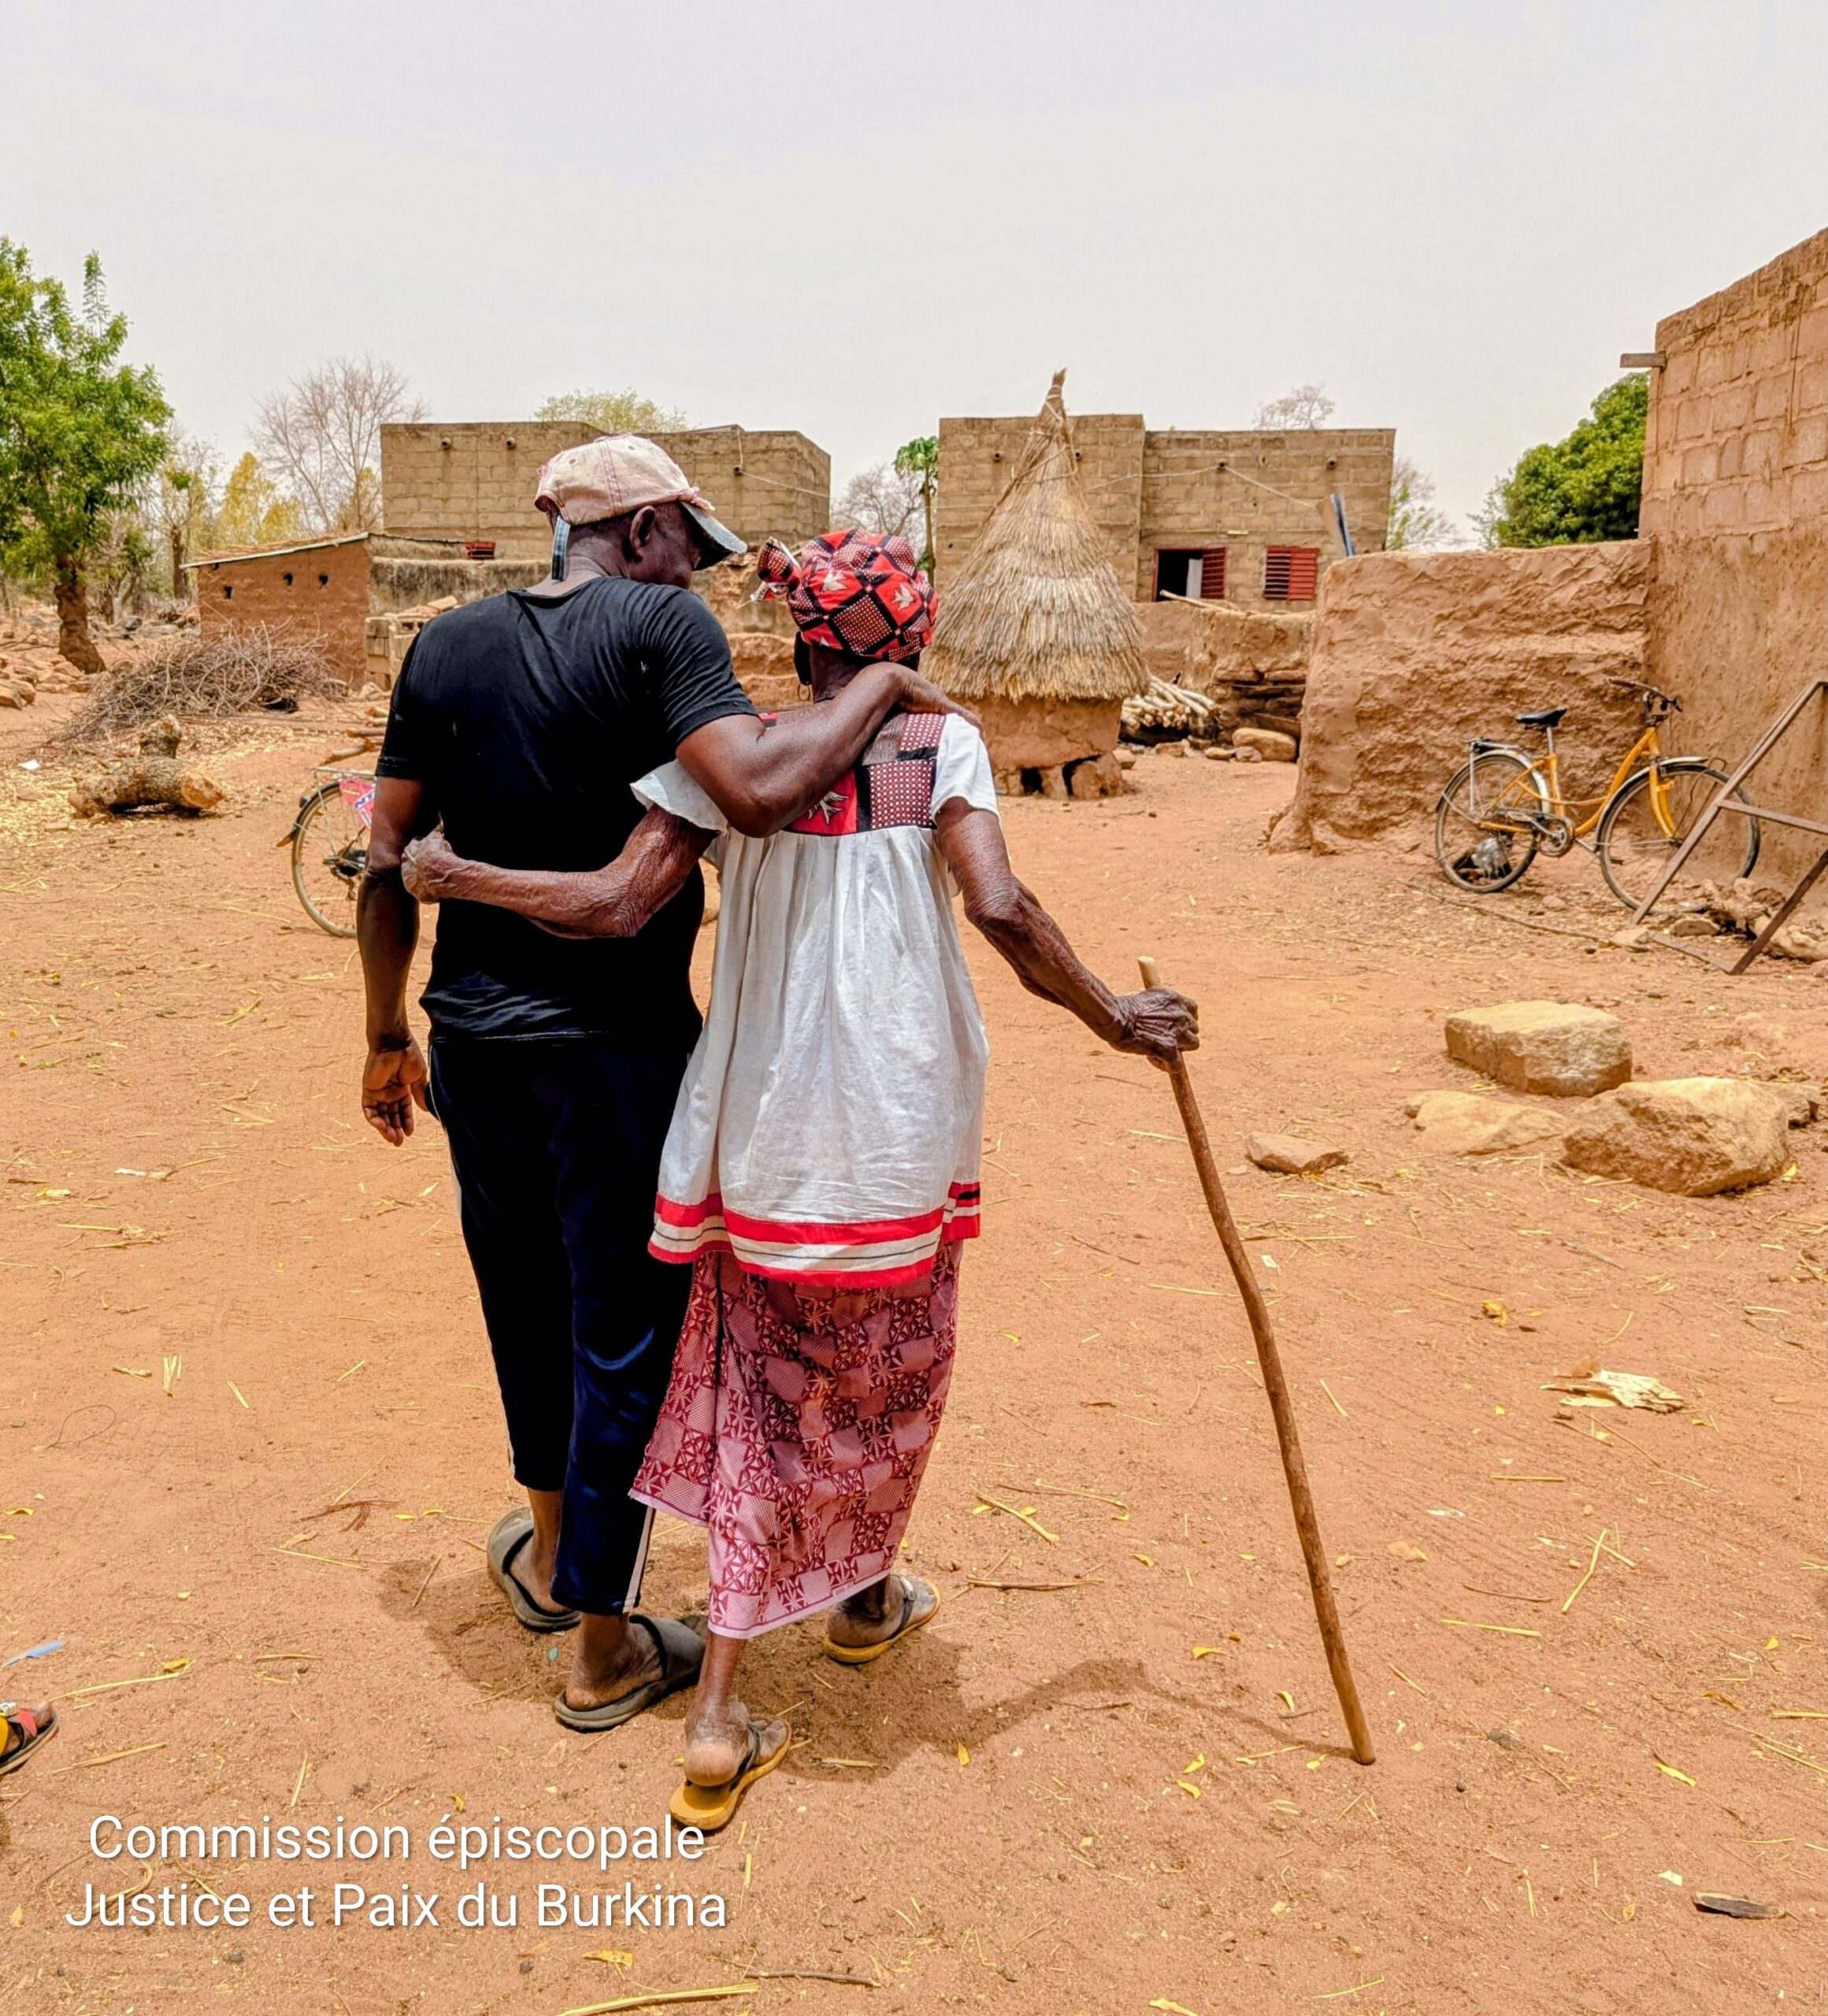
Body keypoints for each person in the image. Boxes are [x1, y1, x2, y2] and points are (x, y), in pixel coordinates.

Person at [402, 527, 1198, 1822]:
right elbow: (998, 908)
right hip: (894, 1119)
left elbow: (612, 904)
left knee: (754, 1383)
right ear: (907, 644)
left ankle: (833, 1617)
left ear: (801, 643)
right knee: (890, 1369)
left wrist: (454, 874)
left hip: (758, 1123)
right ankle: (735, 1700)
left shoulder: (732, 761)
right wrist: (1117, 1015)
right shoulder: (941, 744)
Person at [358, 444, 973, 1734]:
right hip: (613, 1051)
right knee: (623, 1335)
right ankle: (599, 1646)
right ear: (637, 531)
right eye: (684, 538)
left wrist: (381, 1033)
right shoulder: (662, 627)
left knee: (518, 1301)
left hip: (469, 1040)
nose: (695, 562)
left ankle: (544, 1554)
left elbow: (386, 857)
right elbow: (749, 791)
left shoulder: (442, 647)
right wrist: (889, 688)